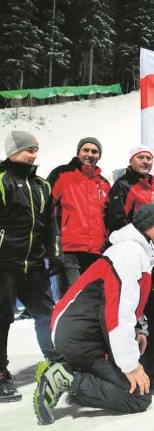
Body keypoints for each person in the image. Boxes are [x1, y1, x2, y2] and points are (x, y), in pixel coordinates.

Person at [33, 204, 154, 425]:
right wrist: (130, 365)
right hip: (80, 336)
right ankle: (66, 378)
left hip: (82, 332)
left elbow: (128, 303)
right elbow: (116, 313)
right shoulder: (129, 253)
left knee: (136, 372)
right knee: (138, 397)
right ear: (146, 227)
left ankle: (73, 371)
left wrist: (138, 329)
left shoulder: (137, 252)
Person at [0, 131, 62, 403]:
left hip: (34, 265)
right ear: (13, 151)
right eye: (28, 149)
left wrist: (54, 253)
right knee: (2, 318)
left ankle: (54, 358)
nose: (34, 154)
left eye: (36, 149)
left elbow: (50, 225)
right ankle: (1, 373)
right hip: (4, 264)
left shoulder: (41, 185)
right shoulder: (3, 180)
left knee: (46, 313)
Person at [47, 136, 110, 295]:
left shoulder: (103, 183)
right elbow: (46, 207)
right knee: (74, 296)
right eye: (86, 150)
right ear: (78, 152)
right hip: (68, 249)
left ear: (99, 156)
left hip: (96, 251)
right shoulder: (61, 173)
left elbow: (107, 216)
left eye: (95, 151)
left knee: (91, 298)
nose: (90, 154)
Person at [106, 145, 154, 234]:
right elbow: (117, 221)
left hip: (149, 242)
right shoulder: (122, 185)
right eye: (140, 158)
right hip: (131, 241)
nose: (145, 161)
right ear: (131, 161)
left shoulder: (153, 185)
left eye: (148, 158)